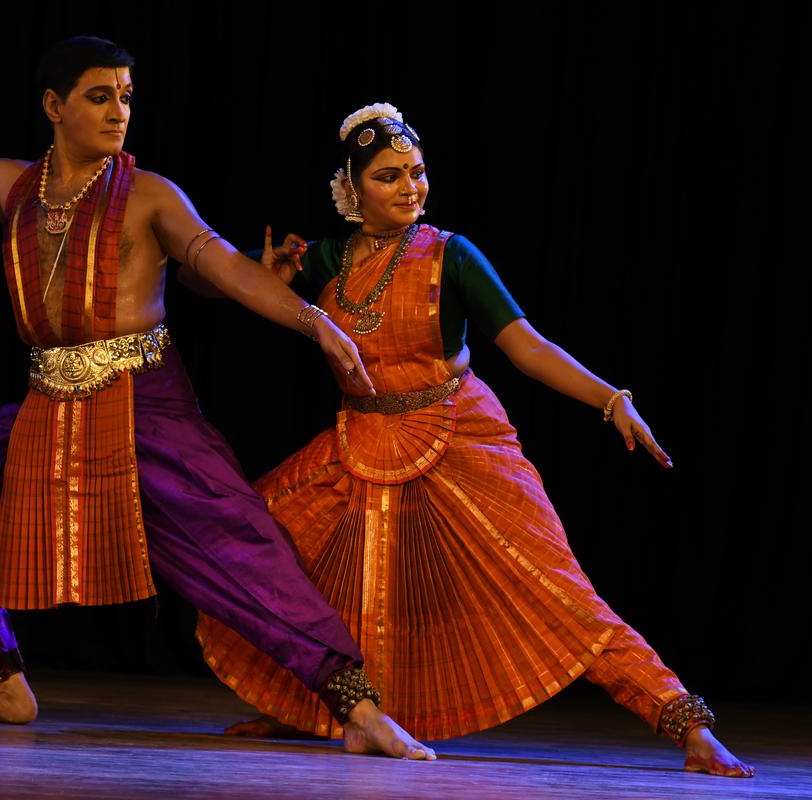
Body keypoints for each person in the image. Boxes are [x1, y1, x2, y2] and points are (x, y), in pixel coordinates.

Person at [0, 41, 435, 760]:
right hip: (50, 401)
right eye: (100, 96)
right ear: (54, 106)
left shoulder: (150, 195)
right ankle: (2, 682)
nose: (118, 111)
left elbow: (223, 265)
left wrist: (313, 321)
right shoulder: (11, 185)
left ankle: (357, 706)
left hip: (145, 402)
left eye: (127, 96)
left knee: (240, 544)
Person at [193, 103, 754, 777]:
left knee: (557, 590)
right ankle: (315, 705)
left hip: (459, 439)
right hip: (361, 439)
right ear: (351, 188)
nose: (410, 187)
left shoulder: (450, 257)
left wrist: (611, 399)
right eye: (390, 176)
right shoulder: (324, 260)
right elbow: (206, 277)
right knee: (277, 552)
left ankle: (684, 722)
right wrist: (268, 270)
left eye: (418, 172)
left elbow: (526, 346)